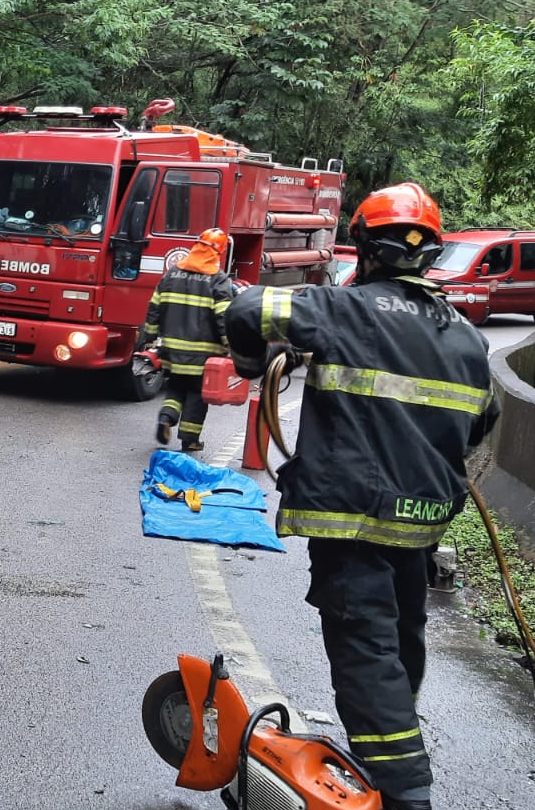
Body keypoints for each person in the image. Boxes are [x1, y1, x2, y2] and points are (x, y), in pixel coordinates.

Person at [224, 182, 499, 810]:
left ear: (365, 247)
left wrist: (248, 365)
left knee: (366, 652)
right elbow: (481, 423)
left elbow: (245, 313)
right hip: (421, 521)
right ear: (429, 254)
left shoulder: (342, 310)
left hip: (351, 519)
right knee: (401, 642)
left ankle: (406, 794)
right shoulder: (466, 338)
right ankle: (391, 750)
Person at [140, 228, 237, 452]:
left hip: (171, 350)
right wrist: (230, 344)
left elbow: (154, 306)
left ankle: (166, 418)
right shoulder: (217, 279)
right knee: (196, 394)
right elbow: (223, 316)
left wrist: (150, 337)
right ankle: (189, 439)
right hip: (203, 353)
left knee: (175, 388)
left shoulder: (173, 273)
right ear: (219, 252)